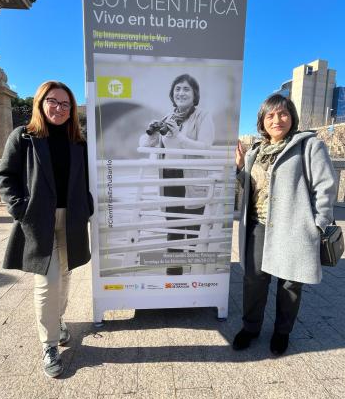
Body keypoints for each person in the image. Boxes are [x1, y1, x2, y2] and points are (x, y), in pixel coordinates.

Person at [0, 81, 93, 377]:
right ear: (41, 102)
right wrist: (21, 208)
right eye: (53, 101)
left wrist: (86, 206)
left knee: (64, 276)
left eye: (66, 104)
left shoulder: (78, 141)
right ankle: (49, 343)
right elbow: (5, 176)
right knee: (48, 281)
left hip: (72, 218)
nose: (59, 109)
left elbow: (85, 180)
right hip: (38, 219)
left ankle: (58, 320)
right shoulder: (23, 137)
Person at [233, 94, 336, 355]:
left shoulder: (309, 145)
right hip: (258, 226)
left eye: (283, 114)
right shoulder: (254, 152)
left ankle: (282, 332)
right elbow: (246, 189)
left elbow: (325, 186)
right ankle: (251, 327)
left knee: (290, 284)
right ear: (262, 121)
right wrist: (238, 169)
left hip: (295, 227)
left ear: (292, 117)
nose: (277, 120)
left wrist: (318, 224)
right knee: (253, 280)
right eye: (270, 115)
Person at [139, 74, 214, 274]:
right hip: (170, 181)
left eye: (186, 89)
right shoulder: (168, 117)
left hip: (192, 181)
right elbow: (145, 146)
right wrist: (151, 132)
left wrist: (179, 136)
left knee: (193, 233)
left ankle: (192, 280)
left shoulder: (203, 116)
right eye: (177, 89)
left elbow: (206, 148)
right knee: (173, 233)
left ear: (194, 94)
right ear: (172, 94)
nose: (181, 92)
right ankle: (173, 279)